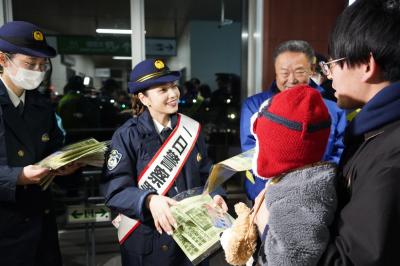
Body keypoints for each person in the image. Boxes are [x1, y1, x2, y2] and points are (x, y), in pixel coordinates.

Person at [101, 58, 227, 266]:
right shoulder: (126, 136)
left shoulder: (191, 129)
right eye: (162, 90)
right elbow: (115, 190)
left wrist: (216, 195)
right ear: (144, 98)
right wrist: (149, 200)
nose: (173, 94)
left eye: (173, 86)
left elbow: (207, 173)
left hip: (192, 240)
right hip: (149, 243)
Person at [316, 0, 400, 264]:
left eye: (333, 64)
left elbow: (350, 260)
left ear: (366, 64)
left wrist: (273, 225)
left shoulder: (391, 155)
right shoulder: (376, 132)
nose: (329, 76)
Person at [0, 21, 80, 266]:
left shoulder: (41, 105)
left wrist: (66, 165)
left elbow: (54, 147)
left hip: (41, 223)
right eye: (30, 64)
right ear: (3, 59)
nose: (37, 70)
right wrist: (17, 177)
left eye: (42, 65)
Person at [240, 40, 347, 200]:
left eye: (299, 71)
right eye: (284, 72)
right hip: (265, 194)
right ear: (275, 71)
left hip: (317, 195)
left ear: (311, 70)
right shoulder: (255, 105)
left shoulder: (333, 109)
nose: (292, 79)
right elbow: (251, 154)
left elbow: (339, 153)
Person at [250, 85, 337, 265]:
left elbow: (288, 259)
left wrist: (264, 227)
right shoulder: (300, 181)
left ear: (278, 148)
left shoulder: (299, 196)